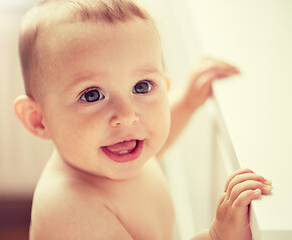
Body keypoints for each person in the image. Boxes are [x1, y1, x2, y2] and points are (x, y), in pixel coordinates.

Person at [13, 0, 272, 239]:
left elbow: (157, 142)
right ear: (39, 119)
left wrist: (188, 102)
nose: (127, 117)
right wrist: (216, 236)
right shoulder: (70, 209)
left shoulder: (108, 151)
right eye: (92, 95)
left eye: (142, 87)